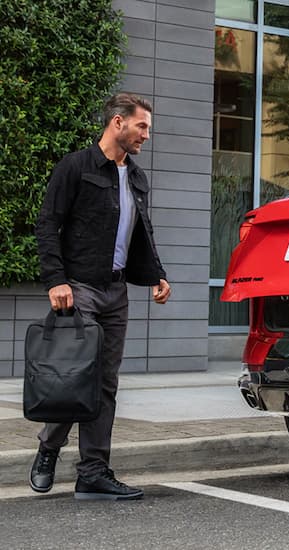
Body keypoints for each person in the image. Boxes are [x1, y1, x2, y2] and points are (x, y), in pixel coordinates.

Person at [30, 93, 172, 500]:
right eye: (141, 126)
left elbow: (142, 232)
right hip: (79, 289)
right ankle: (49, 447)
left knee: (104, 384)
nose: (147, 134)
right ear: (117, 123)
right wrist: (56, 279)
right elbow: (47, 224)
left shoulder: (137, 177)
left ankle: (92, 472)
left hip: (116, 291)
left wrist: (157, 275)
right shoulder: (76, 167)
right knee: (79, 377)